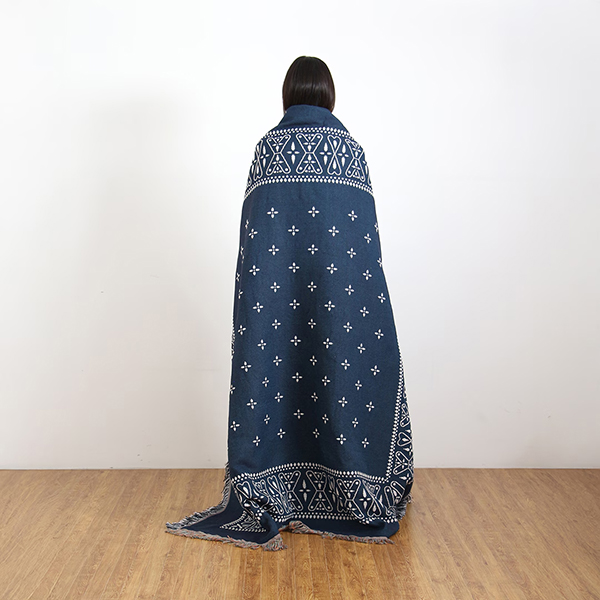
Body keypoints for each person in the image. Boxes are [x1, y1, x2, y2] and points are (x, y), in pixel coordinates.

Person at [165, 56, 414, 551]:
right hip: (343, 309)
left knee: (276, 374)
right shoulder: (352, 153)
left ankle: (274, 489)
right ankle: (351, 489)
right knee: (339, 371)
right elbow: (364, 252)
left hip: (273, 311)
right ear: (329, 95)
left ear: (287, 94)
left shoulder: (267, 150)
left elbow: (256, 247)